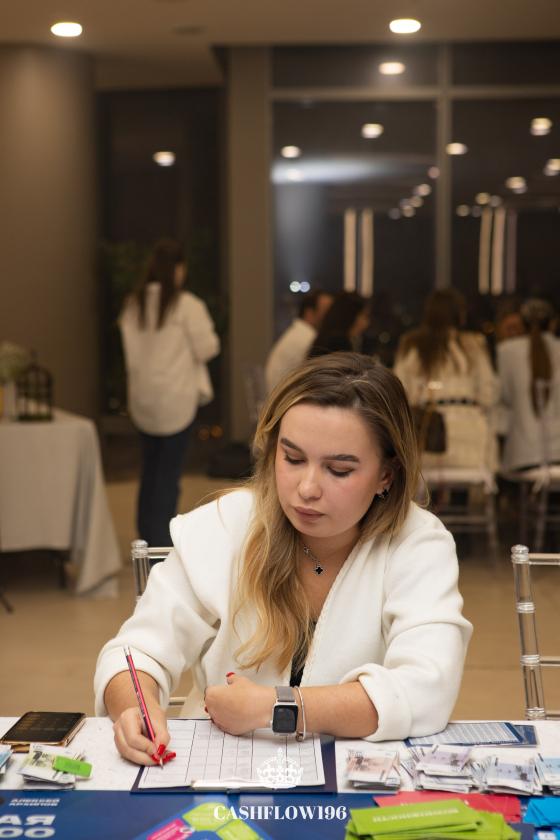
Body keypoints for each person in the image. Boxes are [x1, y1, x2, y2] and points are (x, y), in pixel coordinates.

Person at [95, 352, 472, 765]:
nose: (307, 488)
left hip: (355, 781)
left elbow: (426, 688)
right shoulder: (226, 525)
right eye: (292, 458)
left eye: (339, 470)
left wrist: (278, 707)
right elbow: (136, 653)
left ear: (387, 474)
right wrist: (134, 708)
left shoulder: (418, 544)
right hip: (218, 775)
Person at [120, 237, 220, 546]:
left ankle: (145, 536)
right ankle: (160, 542)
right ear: (178, 269)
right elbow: (208, 347)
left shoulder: (133, 304)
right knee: (168, 474)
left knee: (150, 469)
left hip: (143, 398)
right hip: (176, 398)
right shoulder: (187, 305)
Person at [394, 289, 499, 470]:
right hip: (470, 431)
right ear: (460, 314)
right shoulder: (474, 343)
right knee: (473, 480)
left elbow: (401, 392)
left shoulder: (411, 345)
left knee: (424, 482)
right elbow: (488, 392)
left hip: (427, 432)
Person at [497, 298, 560, 471]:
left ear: (523, 325)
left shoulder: (506, 351)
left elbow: (504, 397)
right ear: (553, 323)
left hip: (522, 454)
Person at [265, 289, 333, 391]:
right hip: (286, 397)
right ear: (309, 313)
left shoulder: (298, 333)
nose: (331, 318)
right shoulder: (307, 339)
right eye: (326, 312)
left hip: (280, 394)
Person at [307, 291, 370, 358]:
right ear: (351, 316)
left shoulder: (326, 337)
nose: (367, 322)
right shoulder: (339, 344)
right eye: (364, 315)